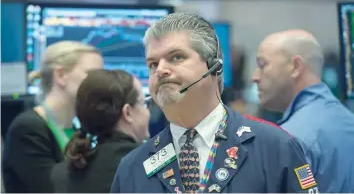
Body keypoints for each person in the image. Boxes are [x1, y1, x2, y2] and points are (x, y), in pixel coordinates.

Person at [110, 13, 319, 193]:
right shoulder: (133, 167)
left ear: (214, 67)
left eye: (176, 57)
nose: (161, 70)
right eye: (152, 64)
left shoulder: (276, 148)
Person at [252, 29, 354, 192]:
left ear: (295, 66)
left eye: (262, 65)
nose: (255, 77)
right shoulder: (348, 120)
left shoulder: (291, 140)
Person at [2, 41, 103, 193]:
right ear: (61, 75)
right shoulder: (28, 129)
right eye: (91, 75)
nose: (100, 84)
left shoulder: (77, 129)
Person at [51, 69, 150, 193]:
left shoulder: (62, 174)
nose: (147, 112)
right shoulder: (148, 166)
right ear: (128, 112)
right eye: (144, 103)